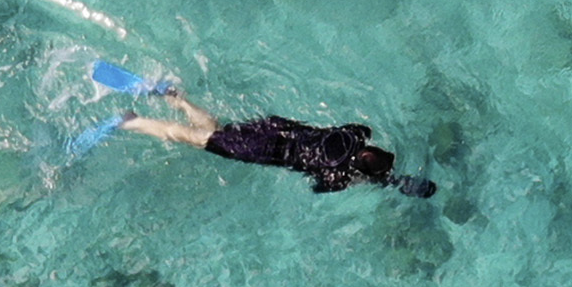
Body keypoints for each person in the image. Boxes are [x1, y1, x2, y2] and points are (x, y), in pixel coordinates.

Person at [111, 82, 437, 194]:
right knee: (194, 139)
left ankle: (177, 99)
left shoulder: (353, 135)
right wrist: (366, 181)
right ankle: (134, 122)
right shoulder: (337, 176)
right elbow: (320, 187)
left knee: (216, 131)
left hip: (275, 128)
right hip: (262, 150)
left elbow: (363, 130)